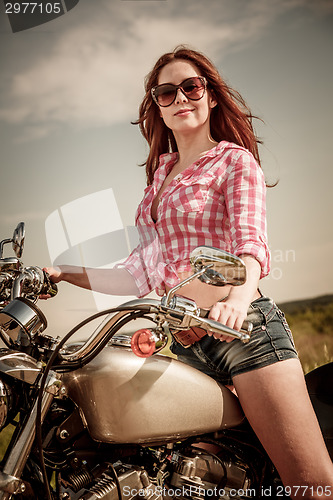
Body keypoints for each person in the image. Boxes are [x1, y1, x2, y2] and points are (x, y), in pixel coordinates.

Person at [43, 46, 333, 498]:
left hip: (242, 335)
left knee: (310, 484)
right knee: (202, 481)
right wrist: (62, 273)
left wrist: (237, 300)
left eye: (191, 86)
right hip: (187, 348)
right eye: (166, 91)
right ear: (156, 105)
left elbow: (250, 244)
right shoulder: (158, 180)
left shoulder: (232, 161)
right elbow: (138, 274)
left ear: (211, 95)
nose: (180, 97)